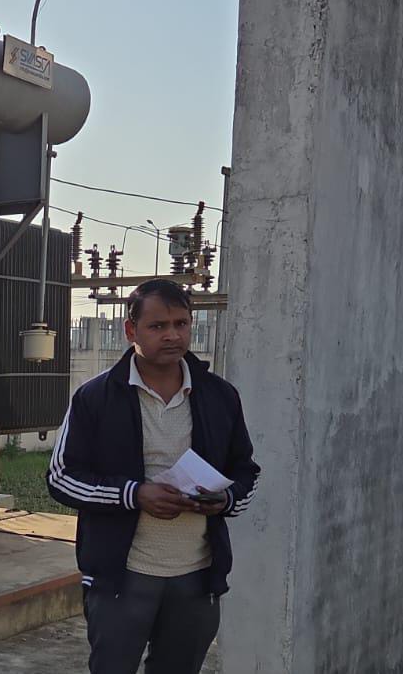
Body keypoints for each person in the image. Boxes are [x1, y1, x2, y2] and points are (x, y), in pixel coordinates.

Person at [47, 279, 260, 674]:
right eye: (158, 326)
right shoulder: (96, 397)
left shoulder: (220, 396)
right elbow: (61, 477)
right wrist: (134, 494)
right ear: (131, 331)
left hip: (196, 578)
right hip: (122, 578)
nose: (172, 335)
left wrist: (224, 500)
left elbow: (245, 471)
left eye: (181, 324)